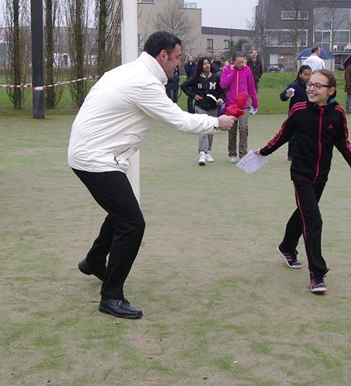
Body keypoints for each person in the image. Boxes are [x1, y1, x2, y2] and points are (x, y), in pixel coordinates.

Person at [68, 31, 236, 319]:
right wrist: (216, 123)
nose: (179, 63)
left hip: (94, 155)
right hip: (96, 159)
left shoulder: (130, 72)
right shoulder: (143, 82)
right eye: (177, 57)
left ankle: (94, 261)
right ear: (163, 55)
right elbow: (179, 121)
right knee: (132, 224)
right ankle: (111, 297)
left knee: (121, 213)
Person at [257, 68, 351, 295]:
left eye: (318, 85)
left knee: (304, 212)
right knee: (313, 219)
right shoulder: (299, 110)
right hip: (301, 174)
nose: (311, 89)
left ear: (330, 90)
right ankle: (317, 273)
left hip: (321, 174)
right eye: (310, 84)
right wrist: (264, 151)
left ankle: (286, 247)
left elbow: (342, 141)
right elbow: (283, 134)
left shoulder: (337, 113)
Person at [180, 56, 224, 165]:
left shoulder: (216, 77)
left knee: (211, 129)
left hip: (213, 107)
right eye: (204, 64)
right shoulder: (196, 78)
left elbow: (221, 91)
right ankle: (202, 153)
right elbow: (184, 86)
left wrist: (220, 99)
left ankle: (208, 151)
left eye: (208, 63)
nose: (207, 65)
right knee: (203, 128)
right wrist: (193, 95)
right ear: (201, 66)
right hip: (201, 107)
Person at [220, 55, 259, 161]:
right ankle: (232, 154)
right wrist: (232, 72)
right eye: (239, 63)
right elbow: (223, 84)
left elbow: (251, 87)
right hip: (231, 104)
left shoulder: (247, 70)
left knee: (243, 128)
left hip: (244, 104)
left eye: (243, 62)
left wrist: (255, 102)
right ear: (233, 62)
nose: (241, 65)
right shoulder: (227, 69)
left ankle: (243, 153)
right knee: (232, 129)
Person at [279, 65, 311, 161]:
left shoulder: (312, 86)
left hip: (308, 113)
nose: (308, 76)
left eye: (309, 74)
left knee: (306, 134)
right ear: (300, 74)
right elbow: (282, 96)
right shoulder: (294, 85)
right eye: (306, 74)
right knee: (293, 134)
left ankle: (305, 153)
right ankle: (292, 154)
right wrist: (286, 95)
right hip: (295, 114)